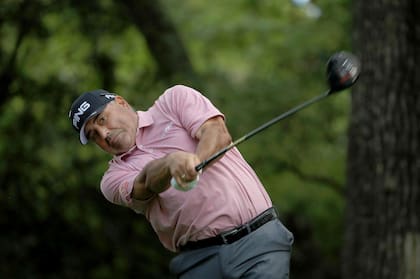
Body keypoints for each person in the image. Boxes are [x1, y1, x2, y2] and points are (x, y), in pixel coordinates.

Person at [69, 85, 294, 278]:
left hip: (257, 241)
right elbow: (145, 184)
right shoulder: (112, 179)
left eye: (101, 119)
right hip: (200, 261)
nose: (104, 134)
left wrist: (197, 161)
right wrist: (170, 164)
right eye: (93, 135)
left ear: (121, 102)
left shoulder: (174, 101)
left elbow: (217, 132)